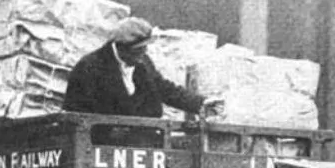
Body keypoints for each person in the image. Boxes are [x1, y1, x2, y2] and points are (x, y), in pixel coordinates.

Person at [62, 17, 223, 144]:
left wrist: (200, 104)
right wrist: (108, 131)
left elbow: (164, 89)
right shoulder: (89, 68)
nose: (142, 55)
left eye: (145, 48)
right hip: (102, 147)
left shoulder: (143, 62)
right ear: (120, 47)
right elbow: (75, 114)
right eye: (137, 50)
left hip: (143, 143)